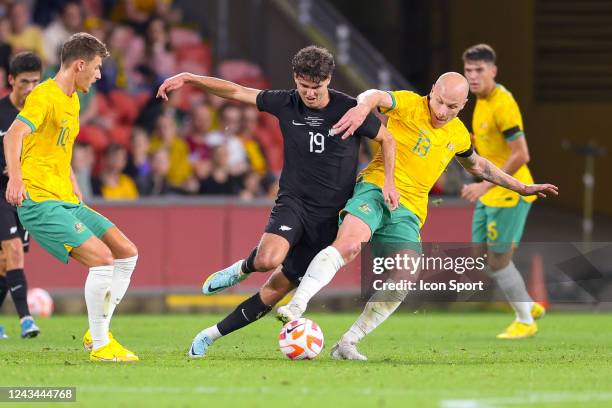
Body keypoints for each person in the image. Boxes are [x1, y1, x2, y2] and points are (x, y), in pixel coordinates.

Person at [277, 72, 558, 360]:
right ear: (432, 91)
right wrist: (362, 108)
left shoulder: (457, 133)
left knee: (406, 273)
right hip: (375, 189)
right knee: (349, 244)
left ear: (463, 105)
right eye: (439, 102)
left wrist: (521, 186)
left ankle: (348, 343)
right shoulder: (409, 103)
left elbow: (480, 166)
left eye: (452, 107)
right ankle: (296, 306)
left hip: (409, 211)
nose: (442, 111)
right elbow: (373, 94)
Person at [156, 45, 398, 358]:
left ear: (328, 80)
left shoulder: (350, 109)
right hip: (294, 202)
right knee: (268, 259)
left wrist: (389, 180)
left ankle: (209, 335)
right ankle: (243, 268)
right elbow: (236, 91)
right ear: (295, 79)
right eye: (304, 86)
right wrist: (190, 77)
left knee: (274, 291)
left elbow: (387, 139)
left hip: (329, 218)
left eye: (317, 87)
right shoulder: (285, 102)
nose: (310, 94)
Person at [4, 33, 139, 362]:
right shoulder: (44, 96)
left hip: (66, 198)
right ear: (79, 65)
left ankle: (98, 331)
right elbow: (13, 135)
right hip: (39, 200)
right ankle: (103, 345)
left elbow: (57, 149)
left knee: (126, 252)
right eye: (95, 68)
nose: (98, 75)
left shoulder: (73, 100)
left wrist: (73, 181)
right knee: (103, 260)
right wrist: (17, 180)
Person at [462, 44, 545, 339]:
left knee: (498, 261)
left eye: (479, 70)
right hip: (490, 193)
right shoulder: (480, 101)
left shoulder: (503, 103)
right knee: (480, 257)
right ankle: (528, 303)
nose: (473, 76)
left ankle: (525, 320)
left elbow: (521, 154)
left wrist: (484, 182)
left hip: (510, 193)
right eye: (468, 70)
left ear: (493, 71)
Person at [0, 52, 41, 339]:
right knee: (13, 252)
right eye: (24, 82)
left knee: (6, 263)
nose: (29, 89)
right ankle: (26, 319)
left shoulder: (38, 113)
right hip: (0, 193)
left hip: (25, 194)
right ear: (11, 80)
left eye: (35, 82)